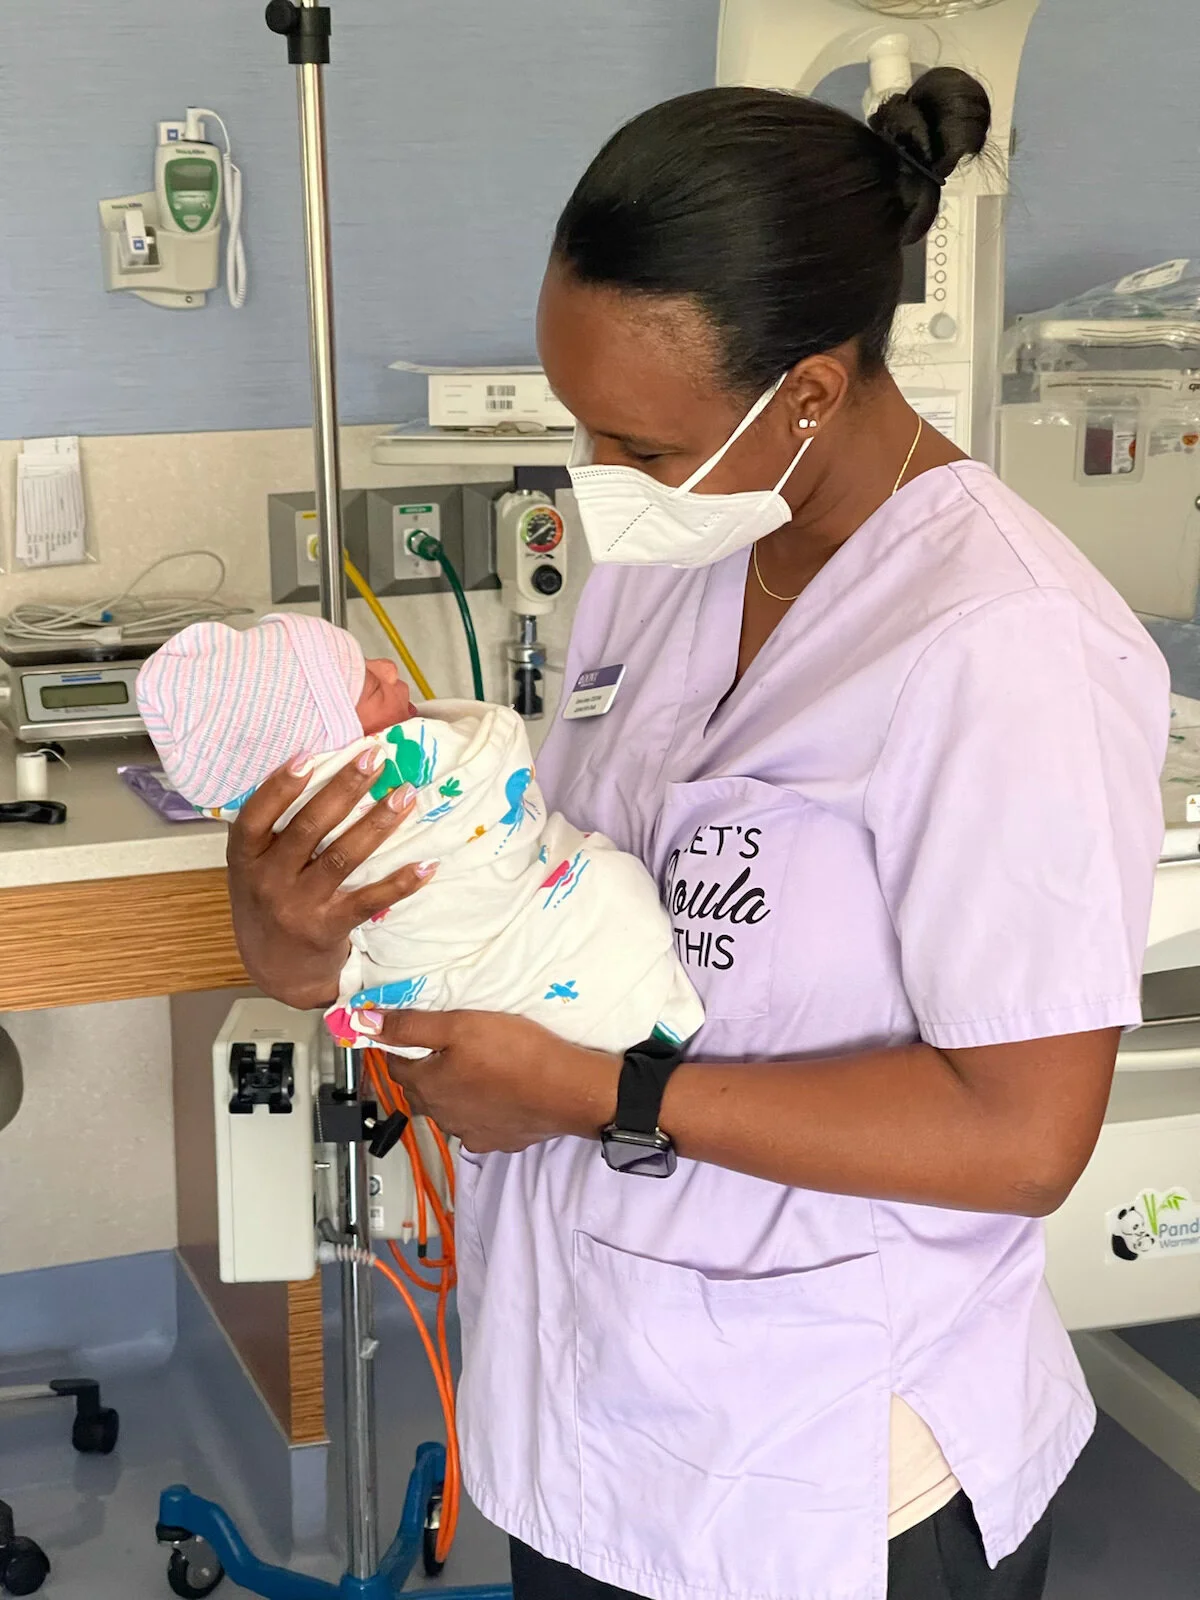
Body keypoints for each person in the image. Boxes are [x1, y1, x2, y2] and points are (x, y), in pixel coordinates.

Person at [224, 70, 1170, 1600]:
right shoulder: (674, 559)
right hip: (590, 1412)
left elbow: (1021, 1135)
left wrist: (610, 1093)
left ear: (805, 394)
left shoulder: (1005, 646)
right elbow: (568, 902)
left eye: (643, 449)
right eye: (583, 430)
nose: (602, 485)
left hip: (829, 1472)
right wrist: (309, 937)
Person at [134, 613, 701, 1058]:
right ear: (331, 754)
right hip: (533, 1015)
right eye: (364, 682)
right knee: (606, 886)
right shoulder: (381, 780)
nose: (387, 666)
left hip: (582, 1058)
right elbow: (489, 753)